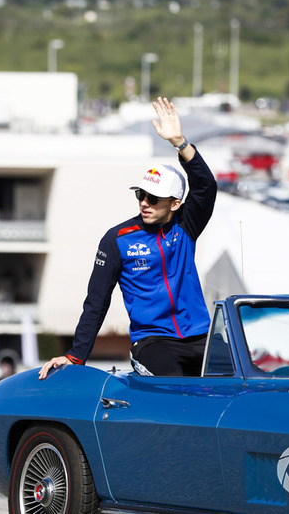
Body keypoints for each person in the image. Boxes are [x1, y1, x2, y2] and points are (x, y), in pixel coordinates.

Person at [39, 97, 217, 378]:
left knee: (236, 389)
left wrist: (180, 143)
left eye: (154, 198)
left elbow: (206, 186)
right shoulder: (116, 240)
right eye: (140, 194)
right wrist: (75, 356)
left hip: (200, 336)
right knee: (179, 396)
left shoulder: (187, 226)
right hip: (154, 341)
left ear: (174, 204)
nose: (144, 202)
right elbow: (96, 301)